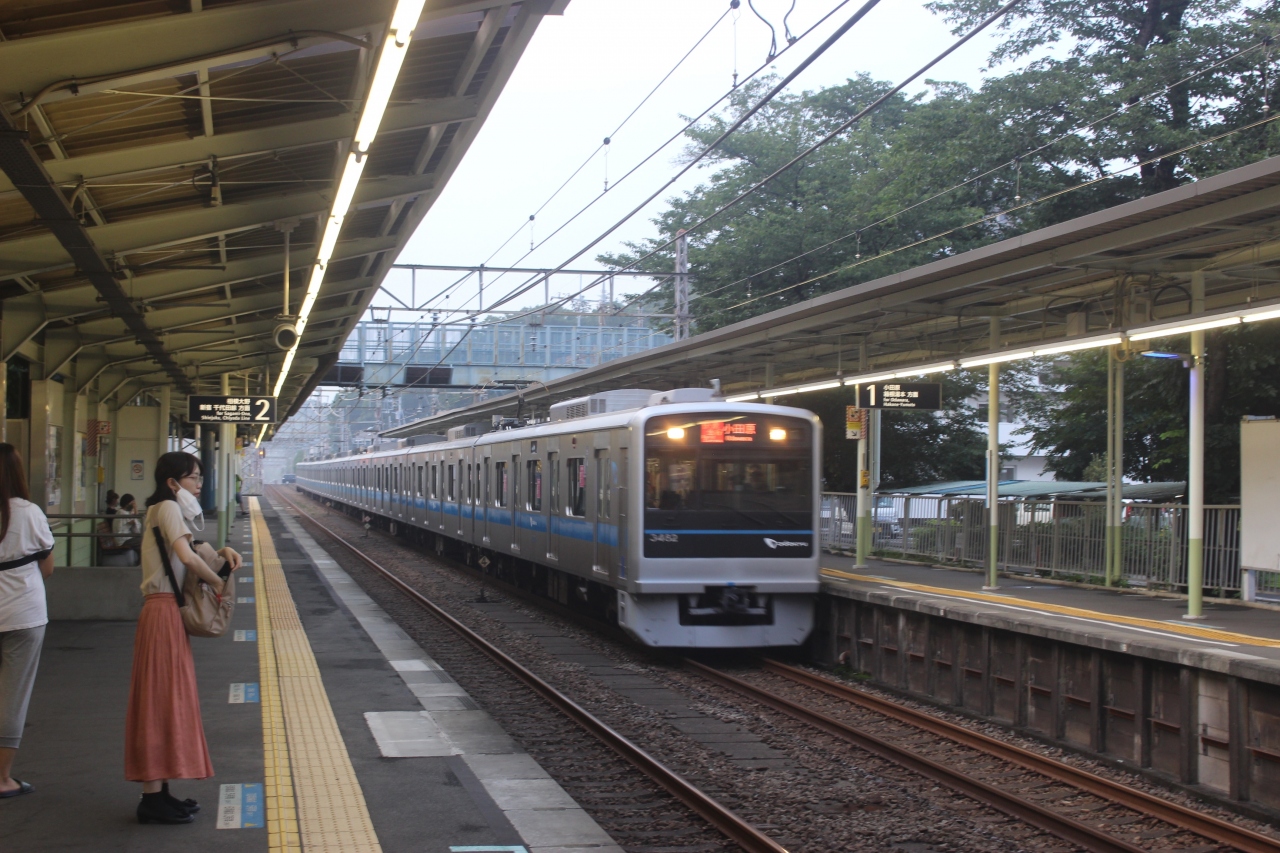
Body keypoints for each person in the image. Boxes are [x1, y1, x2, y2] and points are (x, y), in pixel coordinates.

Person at [125, 452, 241, 824]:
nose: (199, 485)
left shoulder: (162, 510)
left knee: (164, 699)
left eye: (200, 478)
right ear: (173, 482)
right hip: (162, 613)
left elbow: (190, 555)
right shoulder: (168, 508)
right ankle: (151, 798)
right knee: (161, 701)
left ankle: (159, 793)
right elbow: (188, 560)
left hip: (162, 613)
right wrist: (219, 584)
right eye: (193, 478)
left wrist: (221, 553)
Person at [0, 443, 55, 799]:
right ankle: (2, 777)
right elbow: (47, 567)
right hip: (23, 614)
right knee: (12, 697)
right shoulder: (29, 512)